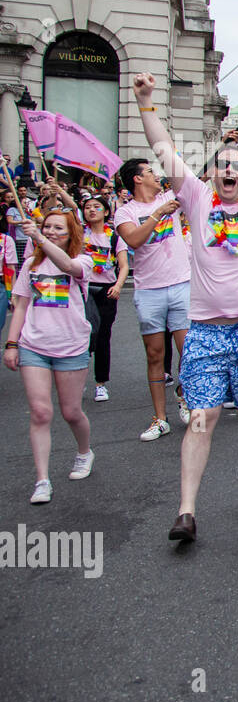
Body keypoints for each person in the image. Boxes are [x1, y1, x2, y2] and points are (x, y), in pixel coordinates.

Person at [134, 72, 238, 543]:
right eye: (224, 166)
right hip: (206, 334)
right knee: (203, 415)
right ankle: (186, 510)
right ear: (213, 173)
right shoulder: (196, 200)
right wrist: (145, 103)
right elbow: (163, 151)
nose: (232, 172)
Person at [3, 210, 95, 503]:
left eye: (59, 228)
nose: (52, 231)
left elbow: (67, 264)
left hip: (71, 346)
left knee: (71, 412)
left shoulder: (84, 261)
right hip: (34, 346)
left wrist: (39, 237)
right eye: (47, 227)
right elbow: (20, 305)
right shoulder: (31, 264)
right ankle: (42, 480)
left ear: (71, 234)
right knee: (41, 412)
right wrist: (12, 343)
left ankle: (84, 452)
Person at [114, 154, 192, 440]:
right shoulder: (125, 212)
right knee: (155, 354)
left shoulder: (172, 195)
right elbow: (134, 240)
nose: (155, 175)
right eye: (149, 171)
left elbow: (203, 174)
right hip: (149, 290)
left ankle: (183, 393)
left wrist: (227, 142)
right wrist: (158, 214)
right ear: (137, 178)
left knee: (190, 351)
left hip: (181, 284)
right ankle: (160, 418)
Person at [81, 194, 128, 400]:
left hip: (107, 289)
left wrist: (118, 285)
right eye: (87, 207)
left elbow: (124, 265)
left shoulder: (114, 237)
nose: (91, 210)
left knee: (102, 336)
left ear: (106, 211)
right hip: (83, 289)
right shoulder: (79, 235)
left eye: (96, 207)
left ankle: (101, 383)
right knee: (82, 336)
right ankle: (78, 377)